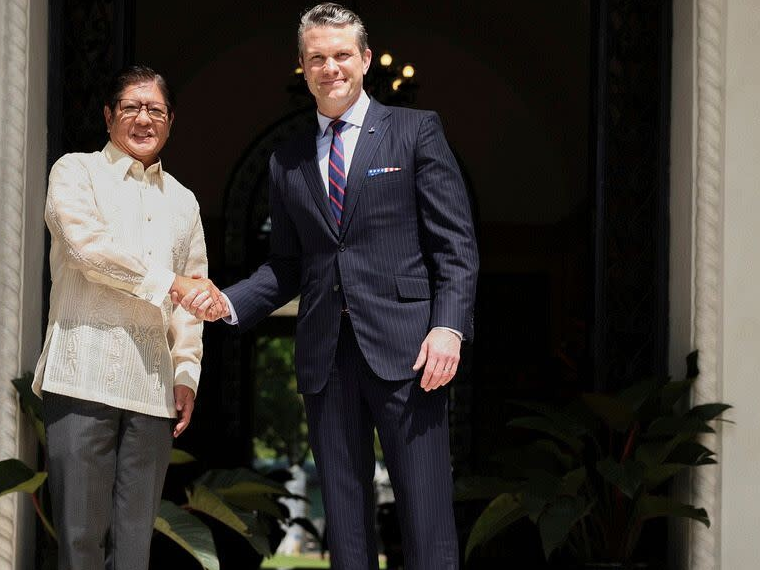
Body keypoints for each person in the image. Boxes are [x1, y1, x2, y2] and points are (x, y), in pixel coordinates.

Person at [179, 4, 478, 569]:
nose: (330, 67)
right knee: (344, 516)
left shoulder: (416, 132)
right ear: (302, 66)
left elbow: (456, 246)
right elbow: (286, 267)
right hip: (325, 355)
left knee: (426, 509)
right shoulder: (286, 161)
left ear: (365, 60)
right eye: (317, 57)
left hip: (411, 352)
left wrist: (447, 327)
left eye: (342, 55)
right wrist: (226, 301)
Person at [32, 65, 224, 570]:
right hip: (82, 377)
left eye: (155, 109)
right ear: (108, 115)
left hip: (152, 389)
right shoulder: (75, 172)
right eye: (132, 108)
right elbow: (87, 249)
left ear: (171, 119)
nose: (144, 119)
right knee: (79, 542)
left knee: (135, 548)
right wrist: (171, 284)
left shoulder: (184, 202)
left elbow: (194, 294)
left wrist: (186, 372)